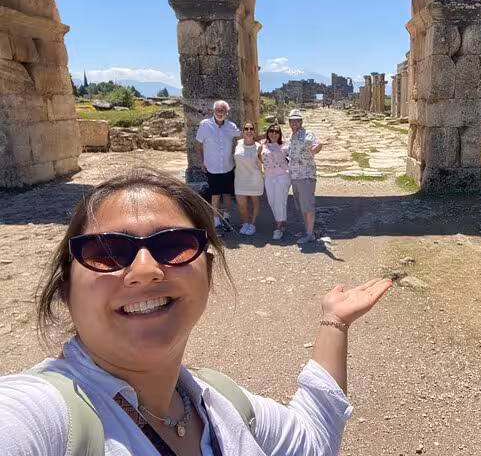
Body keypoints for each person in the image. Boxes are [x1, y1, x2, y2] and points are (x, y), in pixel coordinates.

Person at [0, 168, 393, 455]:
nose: (145, 271)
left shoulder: (223, 403)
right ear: (66, 288)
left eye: (174, 245)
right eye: (106, 252)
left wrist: (334, 322)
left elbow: (313, 440)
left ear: (207, 269)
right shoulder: (41, 418)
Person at [193, 100, 240, 230]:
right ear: (213, 111)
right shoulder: (205, 125)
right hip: (212, 167)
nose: (220, 112)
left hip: (227, 166)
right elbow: (197, 145)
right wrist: (201, 162)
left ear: (227, 112)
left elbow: (243, 137)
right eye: (218, 110)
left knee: (226, 194)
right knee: (215, 194)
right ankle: (216, 220)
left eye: (223, 110)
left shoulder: (231, 126)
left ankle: (226, 217)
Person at [287, 109, 323, 244]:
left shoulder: (308, 134)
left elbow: (314, 149)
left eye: (297, 120)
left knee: (307, 205)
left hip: (306, 175)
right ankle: (307, 230)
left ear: (301, 122)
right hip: (295, 176)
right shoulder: (291, 136)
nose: (294, 123)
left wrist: (319, 146)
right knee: (301, 206)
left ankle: (309, 234)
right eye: (292, 121)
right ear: (289, 123)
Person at [261, 124, 291, 240]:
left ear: (280, 134)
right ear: (268, 133)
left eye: (277, 132)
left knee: (280, 201)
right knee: (272, 201)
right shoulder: (263, 145)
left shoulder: (285, 145)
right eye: (271, 131)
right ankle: (282, 221)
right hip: (268, 176)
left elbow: (294, 156)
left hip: (282, 176)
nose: (274, 133)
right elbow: (252, 139)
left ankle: (278, 227)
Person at [233, 123, 264, 236]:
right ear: (243, 131)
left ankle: (252, 224)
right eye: (246, 128)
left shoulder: (258, 146)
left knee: (255, 202)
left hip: (254, 178)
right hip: (240, 178)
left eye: (251, 129)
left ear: (254, 131)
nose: (249, 130)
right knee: (241, 204)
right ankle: (245, 222)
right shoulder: (238, 144)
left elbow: (263, 161)